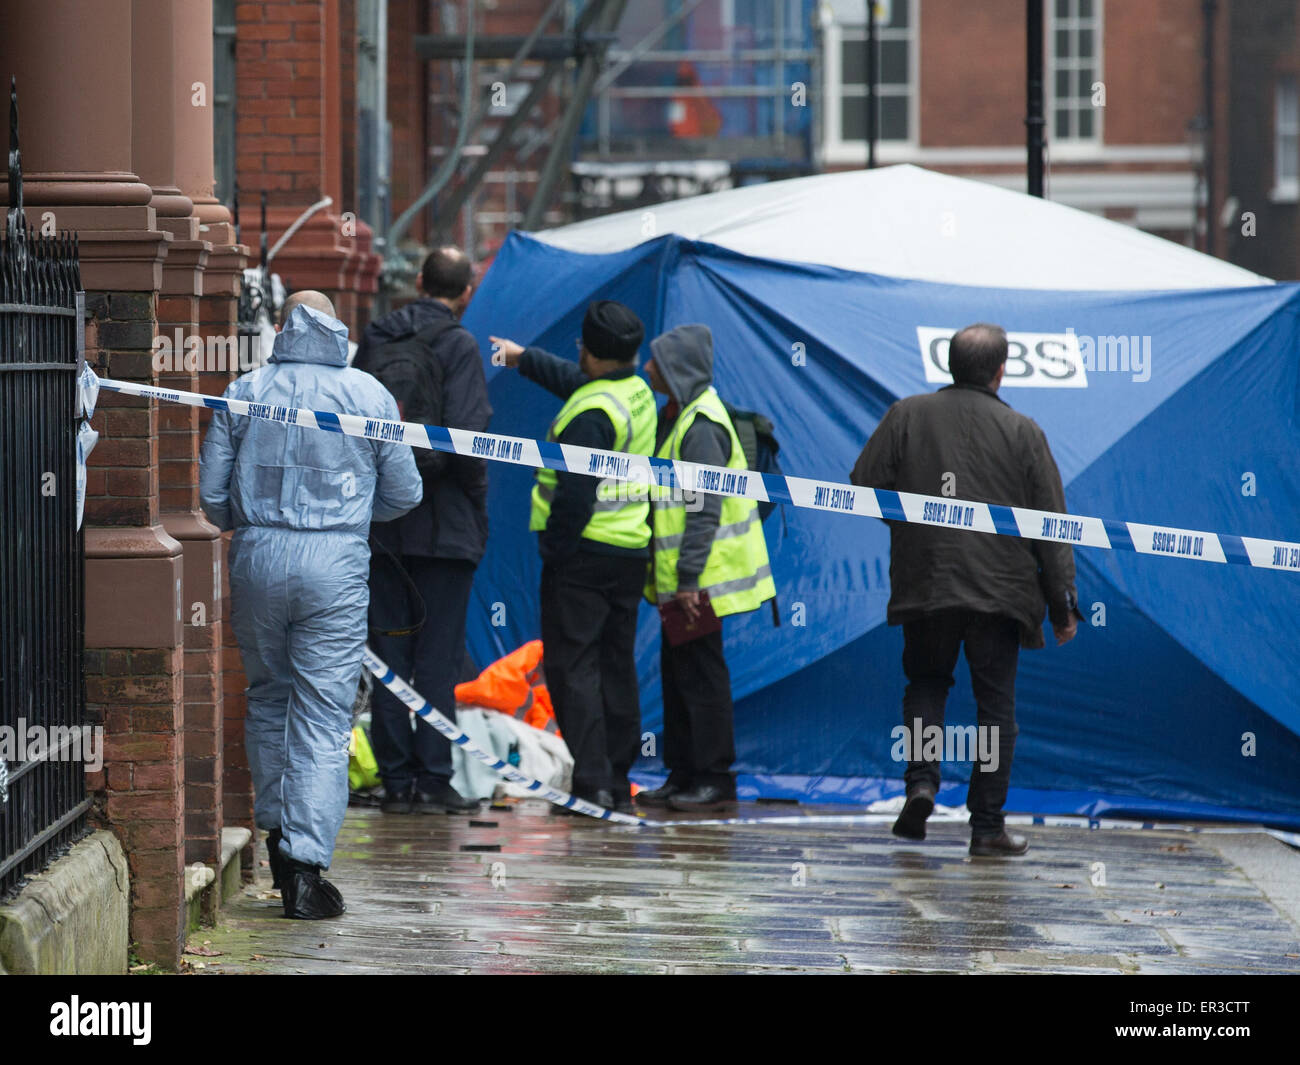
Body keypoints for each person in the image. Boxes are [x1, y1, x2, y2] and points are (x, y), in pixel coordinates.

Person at [200, 292, 423, 917]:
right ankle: (304, 862)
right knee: (325, 712)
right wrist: (349, 517)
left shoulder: (244, 391)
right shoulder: (370, 395)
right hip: (336, 564)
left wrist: (254, 517)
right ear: (336, 328)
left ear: (282, 327)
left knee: (269, 695)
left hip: (258, 558)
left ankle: (276, 834)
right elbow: (405, 492)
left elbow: (211, 499)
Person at [849, 322, 1081, 858]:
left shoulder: (906, 414)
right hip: (1001, 594)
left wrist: (913, 528)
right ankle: (986, 827)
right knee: (995, 709)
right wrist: (1062, 605)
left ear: (948, 366)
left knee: (928, 683)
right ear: (1001, 372)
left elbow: (863, 483)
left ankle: (923, 783)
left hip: (926, 582)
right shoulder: (1025, 432)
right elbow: (1051, 525)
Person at [489, 302, 655, 814]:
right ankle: (617, 776)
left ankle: (591, 782)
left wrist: (555, 550)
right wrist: (523, 359)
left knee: (573, 667)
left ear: (596, 354)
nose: (576, 352)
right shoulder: (634, 392)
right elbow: (576, 382)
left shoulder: (590, 415)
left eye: (581, 346)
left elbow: (574, 497)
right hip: (629, 550)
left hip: (582, 555)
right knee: (615, 663)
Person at [353, 246, 490, 815]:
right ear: (466, 291)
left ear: (416, 281)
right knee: (436, 659)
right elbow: (469, 438)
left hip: (383, 527)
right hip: (446, 529)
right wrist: (476, 511)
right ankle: (434, 780)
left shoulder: (376, 339)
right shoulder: (459, 345)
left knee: (388, 654)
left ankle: (397, 781)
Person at [637, 324, 775, 813]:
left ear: (678, 370)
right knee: (679, 676)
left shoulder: (701, 427)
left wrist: (689, 579)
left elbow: (703, 510)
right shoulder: (678, 415)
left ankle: (714, 778)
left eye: (656, 361)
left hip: (702, 580)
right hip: (683, 579)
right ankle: (683, 774)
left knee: (701, 678)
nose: (648, 368)